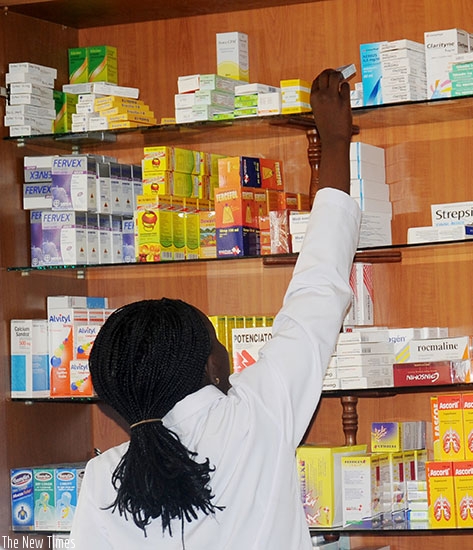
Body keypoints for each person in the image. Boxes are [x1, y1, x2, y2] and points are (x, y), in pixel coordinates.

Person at [69, 68, 360, 549]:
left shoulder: (103, 478)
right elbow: (317, 290)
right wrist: (334, 139)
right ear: (210, 365)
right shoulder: (257, 415)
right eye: (216, 342)